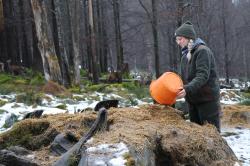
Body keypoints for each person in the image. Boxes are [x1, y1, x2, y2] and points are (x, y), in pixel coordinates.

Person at [175, 21, 221, 132]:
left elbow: (202, 76)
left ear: (189, 38)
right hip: (193, 101)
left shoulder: (202, 51)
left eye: (180, 39)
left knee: (212, 138)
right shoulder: (185, 56)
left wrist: (186, 89)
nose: (178, 42)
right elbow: (184, 79)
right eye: (177, 39)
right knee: (197, 139)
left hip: (207, 100)